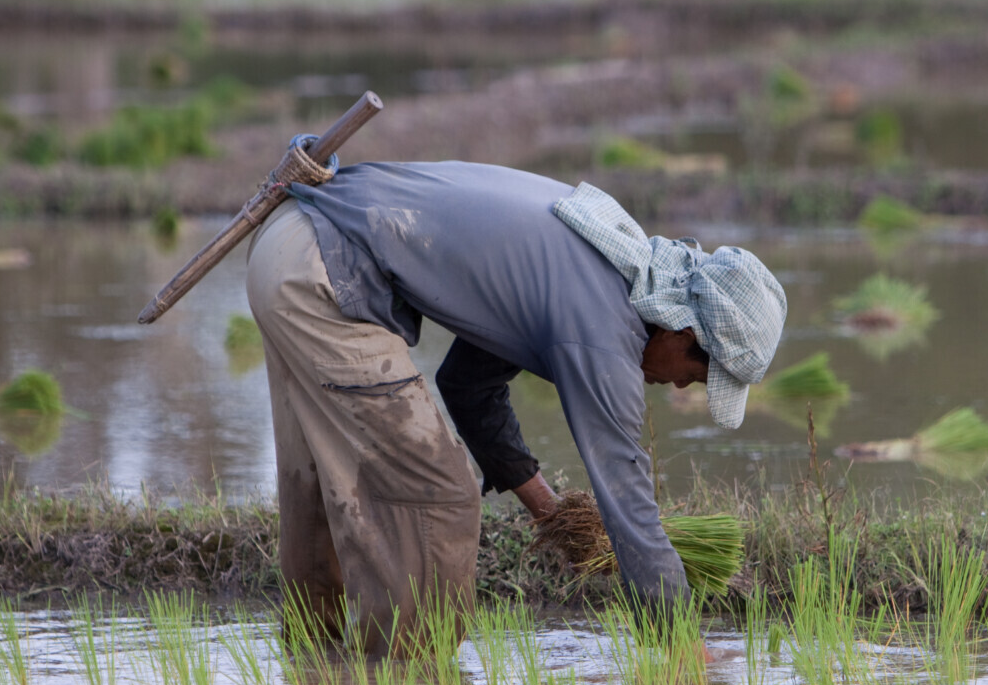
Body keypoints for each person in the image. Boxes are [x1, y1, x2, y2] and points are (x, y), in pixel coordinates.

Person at [244, 160, 786, 656]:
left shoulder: (605, 258)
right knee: (439, 499)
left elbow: (467, 386)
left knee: (319, 482)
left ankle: (314, 678)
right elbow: (632, 511)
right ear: (685, 331)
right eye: (694, 375)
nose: (682, 388)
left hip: (291, 245)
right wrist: (683, 651)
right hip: (323, 280)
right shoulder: (603, 332)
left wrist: (551, 513)